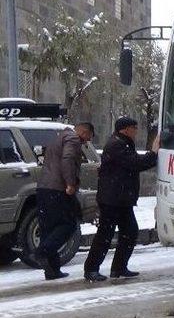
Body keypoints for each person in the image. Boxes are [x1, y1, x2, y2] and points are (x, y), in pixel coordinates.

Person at [84, 117, 159, 282]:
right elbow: (136, 163)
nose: (136, 131)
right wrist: (153, 152)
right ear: (125, 129)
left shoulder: (122, 143)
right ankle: (91, 269)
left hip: (121, 199)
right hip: (112, 199)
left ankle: (118, 268)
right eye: (134, 127)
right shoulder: (117, 145)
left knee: (130, 232)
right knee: (105, 234)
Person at [35, 122, 95, 280]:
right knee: (68, 225)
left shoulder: (59, 137)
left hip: (44, 188)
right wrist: (70, 183)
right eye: (88, 137)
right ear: (84, 131)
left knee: (49, 228)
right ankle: (43, 251)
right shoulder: (73, 139)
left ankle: (52, 270)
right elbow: (67, 159)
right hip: (58, 189)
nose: (87, 141)